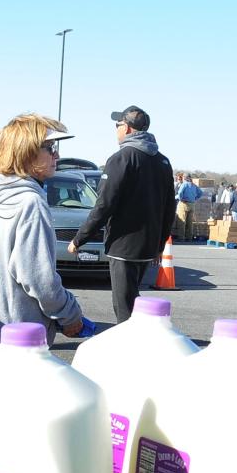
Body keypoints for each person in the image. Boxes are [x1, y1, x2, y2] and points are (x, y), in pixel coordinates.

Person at [0, 115, 83, 356]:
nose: (57, 156)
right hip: (22, 339)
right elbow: (39, 279)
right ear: (26, 152)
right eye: (50, 148)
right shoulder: (30, 202)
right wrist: (70, 313)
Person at [68, 106, 175, 323]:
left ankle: (128, 347)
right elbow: (169, 208)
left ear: (126, 128)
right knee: (134, 300)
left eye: (117, 126)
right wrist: (159, 245)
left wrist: (80, 239)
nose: (116, 130)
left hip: (123, 245)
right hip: (147, 246)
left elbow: (104, 205)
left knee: (124, 304)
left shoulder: (122, 158)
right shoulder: (162, 161)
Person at [175, 173, 203, 241]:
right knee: (190, 222)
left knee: (182, 221)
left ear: (184, 178)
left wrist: (181, 199)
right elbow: (201, 193)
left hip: (184, 204)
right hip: (192, 204)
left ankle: (181, 237)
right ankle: (189, 237)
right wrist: (195, 198)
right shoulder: (194, 185)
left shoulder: (184, 184)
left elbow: (180, 193)